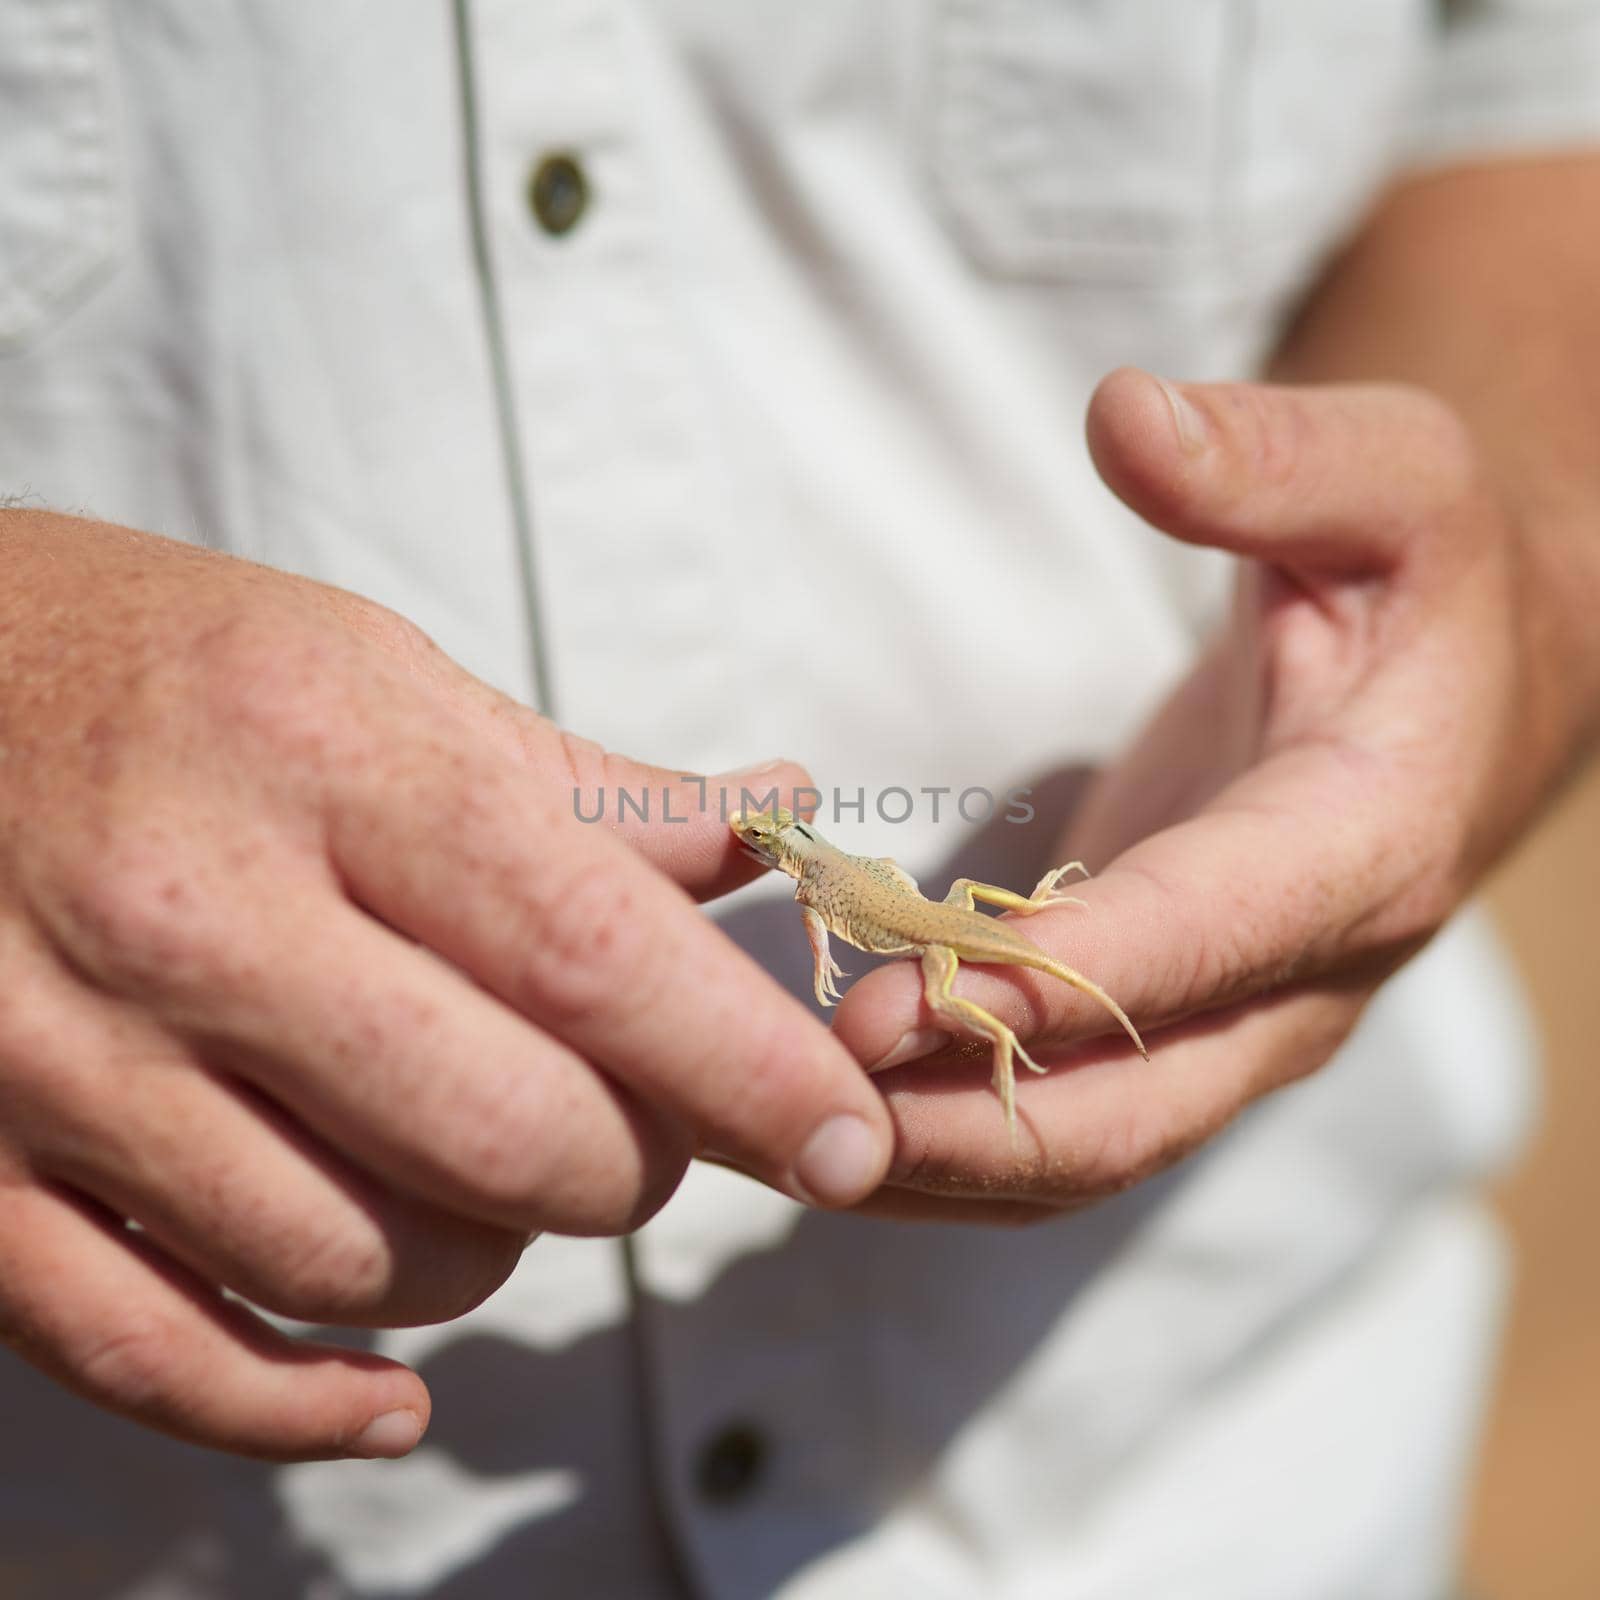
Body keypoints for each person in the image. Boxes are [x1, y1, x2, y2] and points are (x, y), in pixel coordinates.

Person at [0, 2, 1594, 1594]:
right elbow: (837, 929)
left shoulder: (840, 893)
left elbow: (1527, 86)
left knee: (958, 992)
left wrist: (1518, 572)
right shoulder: (813, 874)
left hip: (1223, 1477)